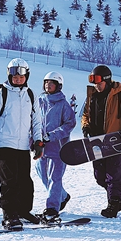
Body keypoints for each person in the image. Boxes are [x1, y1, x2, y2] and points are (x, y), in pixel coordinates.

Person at [0, 58, 44, 231]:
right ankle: (9, 215)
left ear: (27, 76)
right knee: (9, 182)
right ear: (9, 76)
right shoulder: (1, 93)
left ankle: (23, 211)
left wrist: (38, 141)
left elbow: (36, 121)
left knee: (25, 182)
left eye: (21, 77)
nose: (18, 80)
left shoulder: (30, 95)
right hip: (4, 145)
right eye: (15, 77)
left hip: (23, 146)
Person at [81, 64, 121, 218]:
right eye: (94, 83)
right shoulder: (92, 95)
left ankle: (113, 204)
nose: (96, 86)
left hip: (115, 141)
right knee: (100, 177)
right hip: (97, 142)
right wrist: (86, 126)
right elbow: (85, 114)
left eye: (99, 83)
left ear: (106, 80)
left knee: (113, 174)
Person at [35, 71, 76, 223]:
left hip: (58, 149)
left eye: (51, 83)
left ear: (58, 86)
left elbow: (70, 124)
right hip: (41, 148)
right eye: (46, 82)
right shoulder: (39, 101)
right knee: (42, 175)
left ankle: (52, 208)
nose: (48, 85)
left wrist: (52, 135)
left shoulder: (63, 105)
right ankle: (62, 196)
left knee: (54, 177)